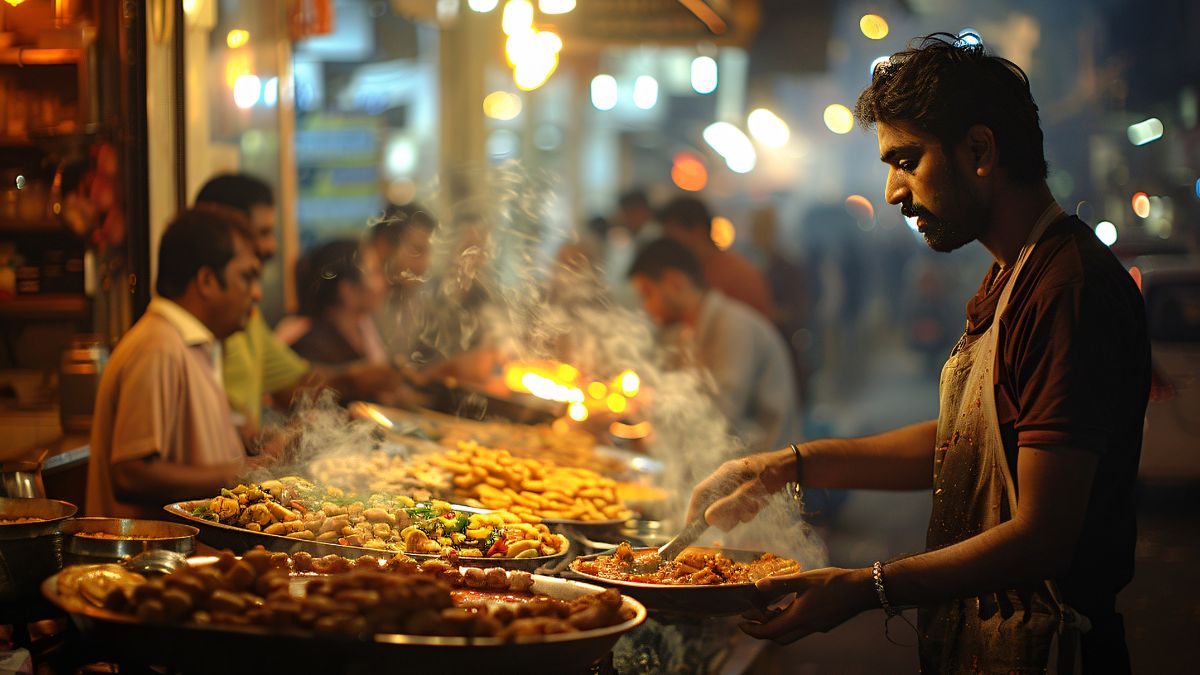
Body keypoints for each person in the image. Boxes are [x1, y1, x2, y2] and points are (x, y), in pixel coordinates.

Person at [687, 34, 1149, 673]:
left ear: (980, 151)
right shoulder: (1012, 273)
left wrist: (864, 588)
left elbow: (1044, 537)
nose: (892, 193)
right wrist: (785, 466)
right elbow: (972, 442)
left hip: (1052, 653)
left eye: (906, 160)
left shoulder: (1067, 290)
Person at [86, 207, 263, 518]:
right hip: (150, 563)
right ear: (207, 280)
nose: (257, 293)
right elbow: (130, 474)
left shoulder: (192, 344)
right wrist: (245, 474)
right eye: (246, 277)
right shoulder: (158, 347)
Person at [196, 173, 402, 435]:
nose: (272, 246)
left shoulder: (248, 316)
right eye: (262, 233)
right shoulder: (185, 336)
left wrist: (356, 378)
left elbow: (293, 385)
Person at [629, 237, 801, 453]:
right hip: (722, 460)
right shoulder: (686, 332)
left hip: (765, 468)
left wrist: (650, 411)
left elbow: (720, 417)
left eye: (647, 293)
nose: (646, 307)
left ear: (675, 282)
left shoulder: (732, 326)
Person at [659, 195, 774, 319]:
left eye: (671, 236)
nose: (668, 246)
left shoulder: (732, 274)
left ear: (698, 232)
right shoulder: (701, 268)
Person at [291, 239, 388, 367]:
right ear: (347, 290)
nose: (385, 282)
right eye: (375, 272)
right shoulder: (315, 347)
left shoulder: (364, 329)